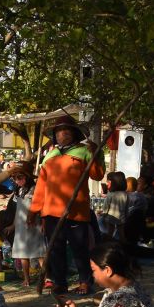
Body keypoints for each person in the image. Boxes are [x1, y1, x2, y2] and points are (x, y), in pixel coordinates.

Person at [29, 115, 104, 295]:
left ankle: (85, 282)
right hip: (51, 212)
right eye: (59, 131)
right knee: (55, 250)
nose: (63, 133)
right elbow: (41, 187)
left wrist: (97, 153)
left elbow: (98, 175)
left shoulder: (84, 151)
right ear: (55, 135)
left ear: (74, 133)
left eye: (67, 130)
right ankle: (60, 283)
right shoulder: (49, 157)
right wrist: (34, 211)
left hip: (76, 211)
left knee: (80, 249)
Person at [100, 171, 129, 240]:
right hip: (121, 217)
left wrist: (103, 215)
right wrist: (126, 216)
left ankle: (109, 246)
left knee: (110, 233)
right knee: (121, 234)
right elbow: (126, 207)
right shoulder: (125, 194)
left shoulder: (111, 194)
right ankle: (124, 246)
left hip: (111, 217)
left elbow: (106, 207)